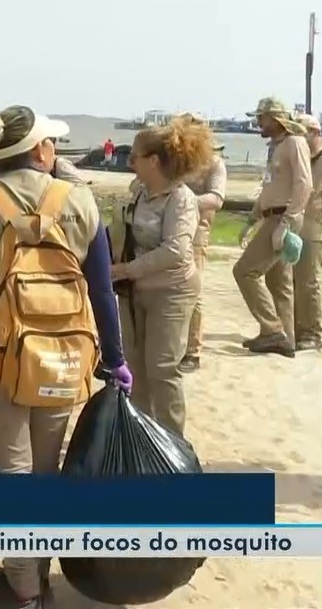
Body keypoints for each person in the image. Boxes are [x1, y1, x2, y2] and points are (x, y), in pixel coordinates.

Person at [0, 106, 130, 609]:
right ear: (41, 151)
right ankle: (33, 575)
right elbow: (102, 291)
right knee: (44, 471)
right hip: (66, 349)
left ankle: (26, 593)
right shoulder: (81, 201)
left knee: (9, 472)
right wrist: (115, 358)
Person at [108, 118, 214, 437]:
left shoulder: (181, 199)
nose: (130, 162)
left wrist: (126, 270)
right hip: (135, 291)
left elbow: (176, 251)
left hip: (171, 293)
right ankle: (143, 440)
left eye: (135, 157)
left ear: (153, 161)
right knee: (135, 369)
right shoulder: (138, 192)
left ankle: (171, 444)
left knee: (162, 370)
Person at [232, 97, 312, 357]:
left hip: (282, 218)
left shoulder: (295, 143)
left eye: (262, 118)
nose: (258, 123)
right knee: (279, 282)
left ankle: (272, 330)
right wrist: (253, 218)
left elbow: (304, 184)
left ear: (276, 119)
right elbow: (269, 187)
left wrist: (287, 222)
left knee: (244, 271)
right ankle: (285, 339)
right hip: (272, 216)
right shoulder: (275, 147)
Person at [181, 117, 227, 373]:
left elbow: (217, 199)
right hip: (172, 228)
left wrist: (184, 201)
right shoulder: (179, 161)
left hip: (198, 230)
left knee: (193, 289)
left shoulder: (214, 165)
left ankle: (193, 350)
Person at [294, 113, 322, 352]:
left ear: (315, 133)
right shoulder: (304, 159)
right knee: (292, 280)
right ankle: (296, 329)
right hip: (298, 225)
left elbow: (309, 189)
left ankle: (312, 333)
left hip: (314, 227)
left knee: (308, 281)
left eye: (303, 133)